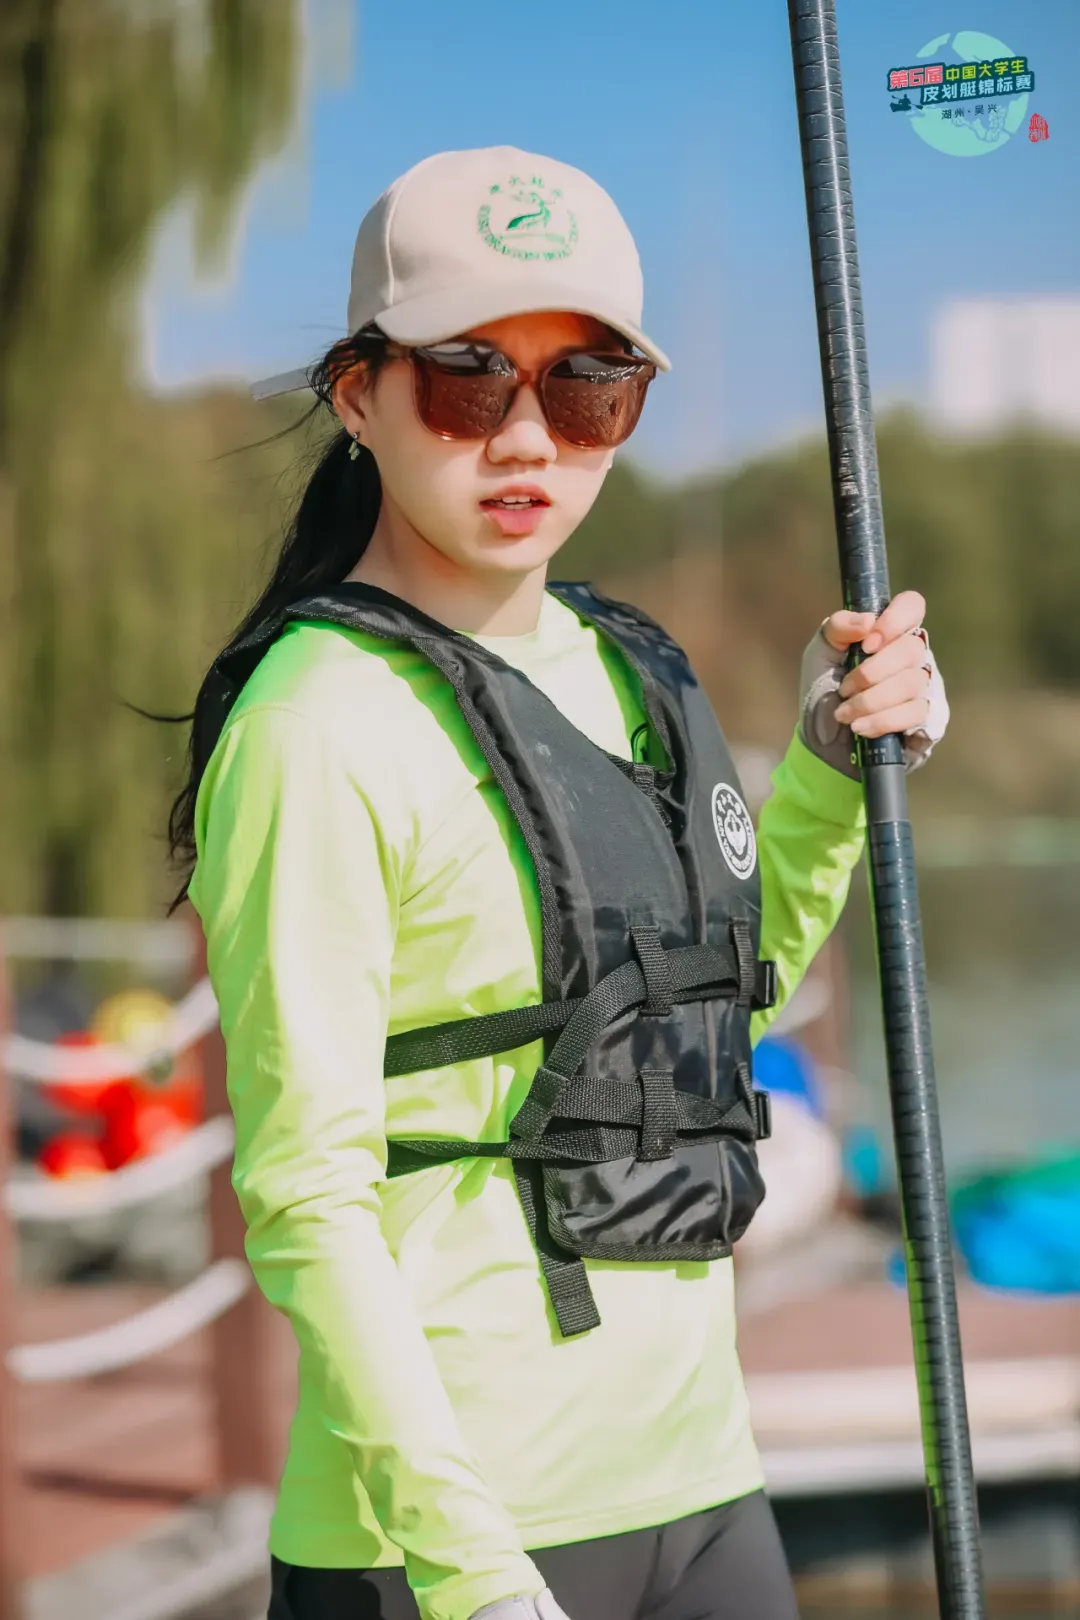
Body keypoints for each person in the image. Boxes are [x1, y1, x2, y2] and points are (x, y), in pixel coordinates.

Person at [172, 147, 949, 1620]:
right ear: (358, 394)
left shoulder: (630, 664)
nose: (528, 437)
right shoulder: (311, 723)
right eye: (469, 381)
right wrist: (471, 1569)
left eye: (587, 386)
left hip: (705, 1487)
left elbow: (717, 1008)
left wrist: (836, 769)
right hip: (449, 1545)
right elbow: (305, 1192)